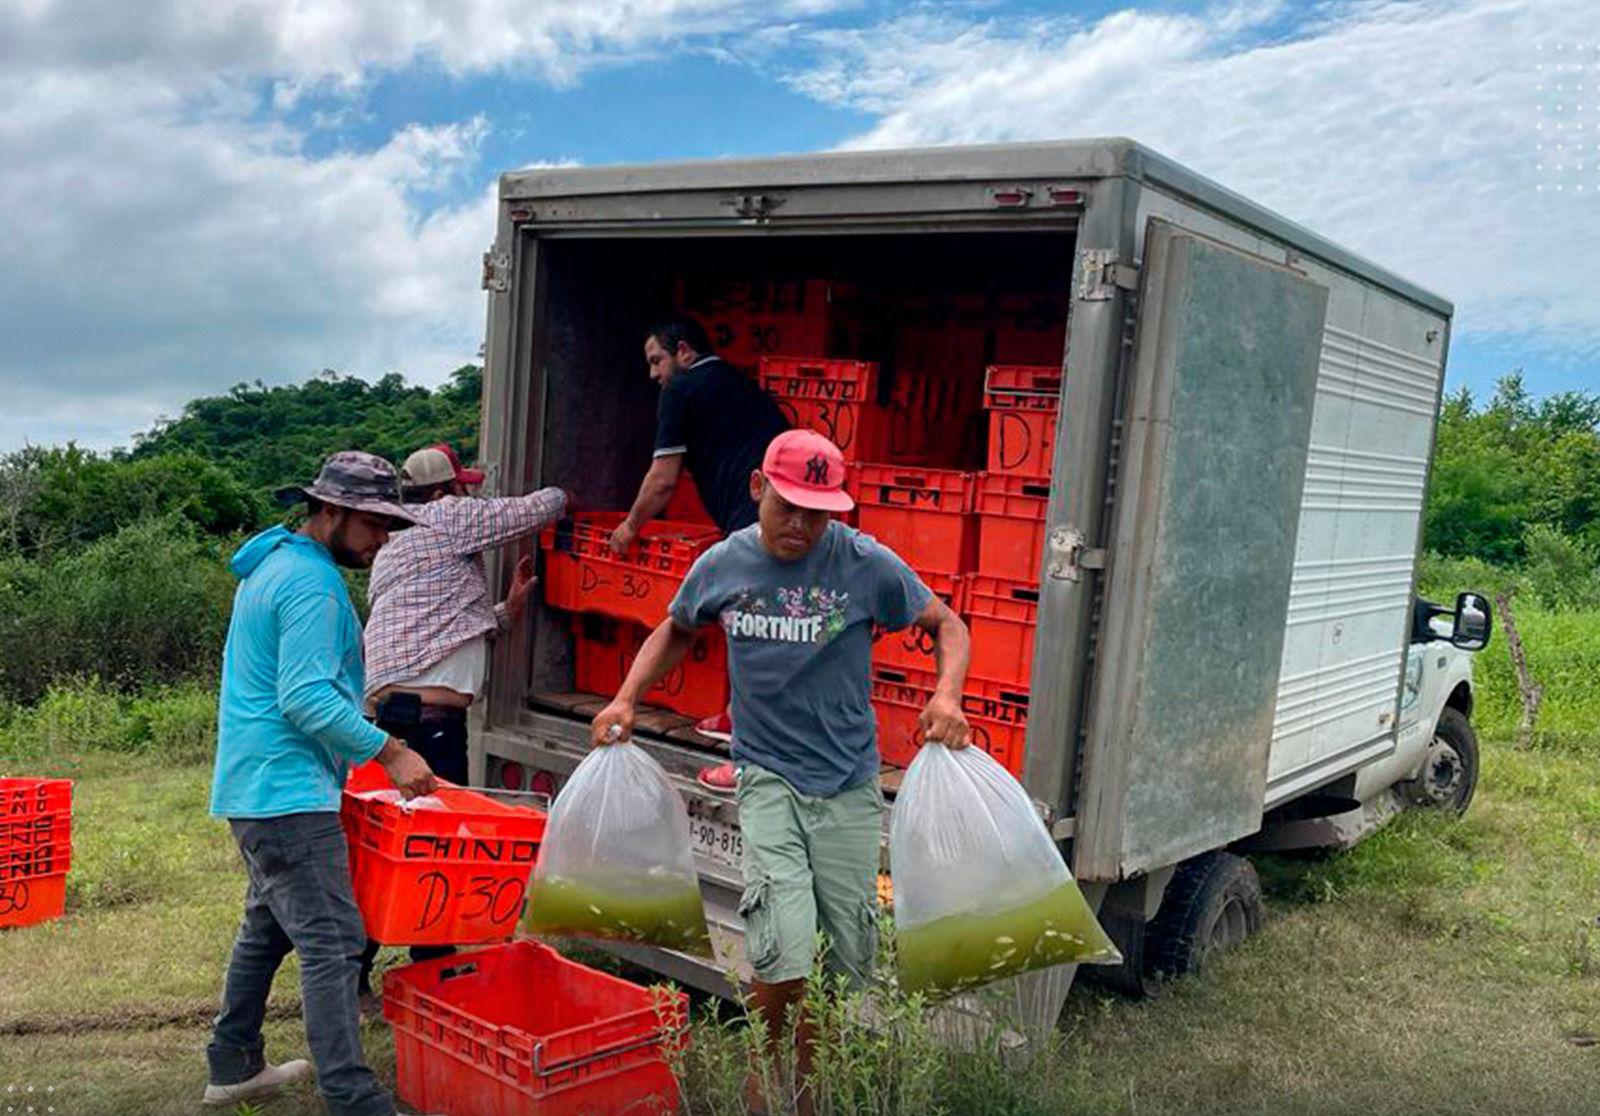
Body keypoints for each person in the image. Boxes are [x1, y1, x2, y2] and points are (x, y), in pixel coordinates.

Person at [591, 430, 972, 1116]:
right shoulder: (724, 563)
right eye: (788, 506)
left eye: (818, 513)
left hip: (848, 782)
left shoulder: (864, 564)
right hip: (766, 775)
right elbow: (677, 627)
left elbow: (948, 624)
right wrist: (626, 697)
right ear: (758, 489)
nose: (800, 525)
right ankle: (771, 1086)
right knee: (783, 946)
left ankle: (812, 1081)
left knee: (846, 954)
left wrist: (946, 695)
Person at [204, 452, 440, 1115]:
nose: (382, 540)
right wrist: (389, 751)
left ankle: (233, 1064)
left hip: (260, 785)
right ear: (330, 511)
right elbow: (304, 697)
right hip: (285, 791)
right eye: (373, 524)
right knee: (334, 939)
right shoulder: (309, 584)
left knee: (268, 927)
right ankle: (352, 1096)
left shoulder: (274, 564)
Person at [356, 442, 568, 997]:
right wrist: (572, 489)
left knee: (394, 846)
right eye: (465, 486)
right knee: (436, 844)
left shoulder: (396, 544)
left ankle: (358, 972)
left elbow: (444, 627)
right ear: (449, 488)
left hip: (394, 712)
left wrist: (510, 608)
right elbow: (536, 509)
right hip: (426, 722)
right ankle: (431, 973)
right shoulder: (448, 517)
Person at [609, 314, 789, 784]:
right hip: (779, 515)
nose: (654, 375)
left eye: (657, 361)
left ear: (684, 352)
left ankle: (748, 760)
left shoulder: (681, 390)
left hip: (757, 520)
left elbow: (663, 479)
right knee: (749, 622)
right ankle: (733, 715)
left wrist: (629, 527)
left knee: (759, 633)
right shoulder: (736, 383)